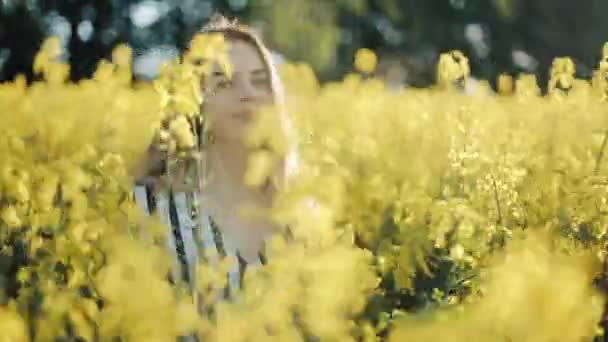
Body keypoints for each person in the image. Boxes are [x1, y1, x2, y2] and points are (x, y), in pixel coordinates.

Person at [132, 14, 299, 294]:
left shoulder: (300, 214)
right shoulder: (149, 210)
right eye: (224, 82)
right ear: (192, 101)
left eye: (259, 81)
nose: (247, 94)